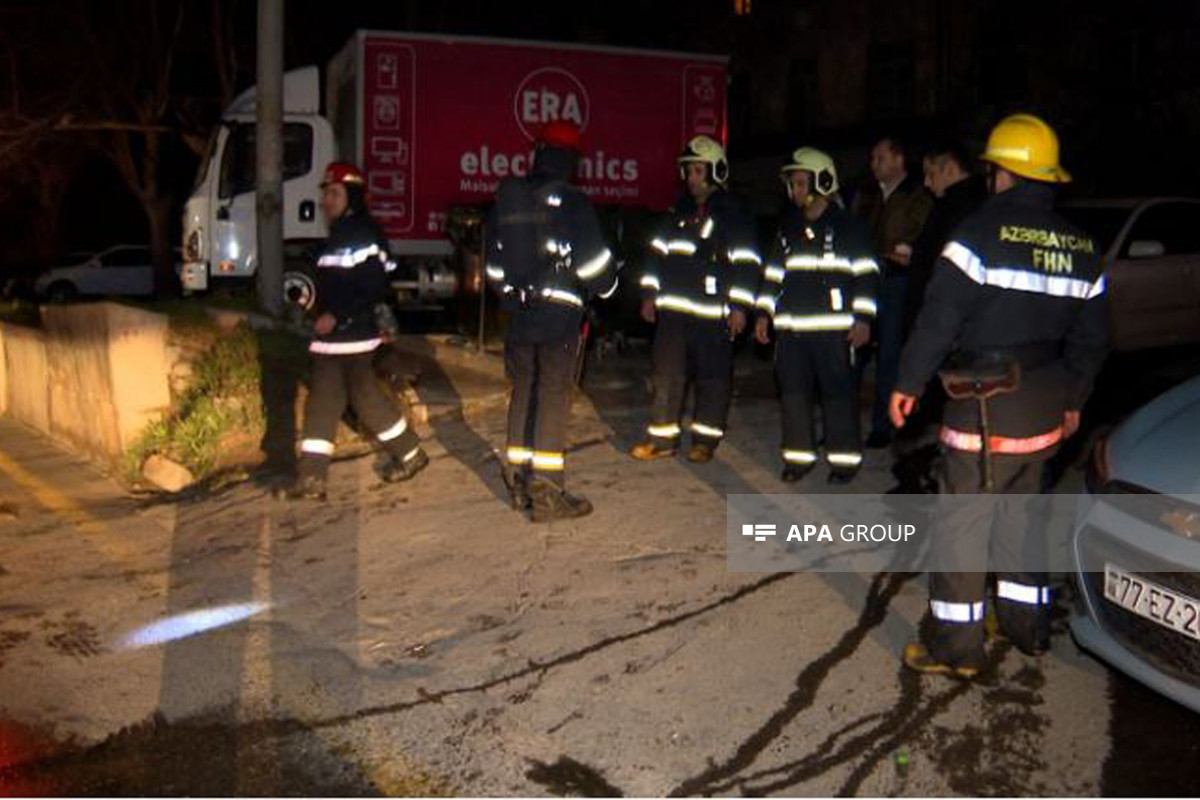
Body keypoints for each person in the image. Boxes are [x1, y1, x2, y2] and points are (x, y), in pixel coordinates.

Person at [889, 113, 1108, 676]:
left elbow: (939, 320)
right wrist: (1074, 402)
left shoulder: (977, 235)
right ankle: (1027, 627)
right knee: (1022, 517)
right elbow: (1091, 340)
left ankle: (955, 648)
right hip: (1043, 407)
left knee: (963, 522)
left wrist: (908, 382)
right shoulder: (1083, 248)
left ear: (1001, 174)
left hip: (982, 405)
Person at [485, 120, 617, 522]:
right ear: (570, 159)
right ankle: (547, 488)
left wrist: (512, 298)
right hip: (559, 315)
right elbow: (597, 268)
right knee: (555, 394)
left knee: (524, 389)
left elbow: (492, 266)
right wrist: (608, 286)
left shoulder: (510, 199)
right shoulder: (573, 200)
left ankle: (519, 480)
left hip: (520, 316)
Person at [290, 162, 427, 500]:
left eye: (333, 194)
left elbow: (372, 286)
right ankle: (314, 477)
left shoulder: (362, 233)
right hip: (338, 338)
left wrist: (335, 316)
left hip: (351, 334)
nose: (326, 201)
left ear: (350, 197)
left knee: (349, 400)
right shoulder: (341, 233)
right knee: (335, 401)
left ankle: (315, 477)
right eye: (325, 194)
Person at [630, 135, 760, 463]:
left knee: (712, 378)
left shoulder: (734, 213)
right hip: (673, 312)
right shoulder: (677, 211)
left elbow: (747, 263)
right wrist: (649, 294)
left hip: (712, 314)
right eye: (688, 171)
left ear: (716, 172)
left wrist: (740, 308)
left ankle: (705, 441)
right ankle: (662, 440)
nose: (691, 178)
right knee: (666, 375)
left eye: (699, 171)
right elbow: (656, 253)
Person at [755, 147, 878, 484]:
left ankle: (843, 463)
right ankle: (798, 460)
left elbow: (867, 275)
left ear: (822, 181)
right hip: (792, 333)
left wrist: (863, 319)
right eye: (791, 184)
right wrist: (764, 314)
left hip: (835, 333)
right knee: (794, 396)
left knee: (838, 397)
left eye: (799, 183)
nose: (793, 190)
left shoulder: (850, 227)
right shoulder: (787, 229)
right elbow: (772, 276)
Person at [890, 141, 988, 492]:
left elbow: (949, 283)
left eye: (931, 174)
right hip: (940, 331)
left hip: (945, 338)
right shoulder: (952, 206)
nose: (927, 184)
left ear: (949, 168)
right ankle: (922, 475)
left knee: (934, 413)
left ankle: (925, 479)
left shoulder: (963, 210)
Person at [852, 135, 933, 449]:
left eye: (880, 157)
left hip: (896, 280)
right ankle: (845, 423)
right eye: (872, 158)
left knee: (889, 354)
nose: (874, 164)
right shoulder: (867, 193)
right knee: (853, 351)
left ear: (898, 159)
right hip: (864, 279)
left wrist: (903, 252)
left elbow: (916, 237)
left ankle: (882, 426)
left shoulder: (916, 195)